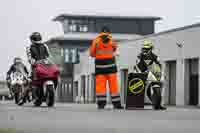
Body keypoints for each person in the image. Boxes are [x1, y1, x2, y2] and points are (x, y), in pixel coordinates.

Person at [89, 26, 123, 109]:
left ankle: (101, 104)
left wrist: (99, 54)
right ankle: (116, 104)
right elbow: (115, 49)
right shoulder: (112, 41)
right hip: (111, 67)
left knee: (100, 87)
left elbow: (92, 53)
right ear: (109, 32)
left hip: (100, 67)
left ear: (100, 32)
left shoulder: (96, 41)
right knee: (114, 86)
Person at [135, 40, 166, 110]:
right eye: (144, 49)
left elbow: (159, 63)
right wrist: (139, 73)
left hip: (151, 72)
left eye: (147, 49)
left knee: (161, 85)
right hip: (141, 72)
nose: (145, 50)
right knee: (137, 86)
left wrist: (161, 71)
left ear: (151, 49)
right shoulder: (140, 56)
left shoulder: (154, 56)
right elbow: (137, 65)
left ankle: (159, 104)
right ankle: (135, 102)